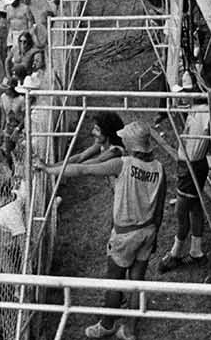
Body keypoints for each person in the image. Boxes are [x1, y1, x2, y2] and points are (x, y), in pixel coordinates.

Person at [37, 121, 164, 340]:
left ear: (132, 143)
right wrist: (155, 236)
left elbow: (82, 169)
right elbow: (160, 206)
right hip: (148, 230)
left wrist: (49, 169)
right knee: (137, 283)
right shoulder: (159, 168)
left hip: (125, 233)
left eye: (125, 137)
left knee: (113, 281)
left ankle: (107, 324)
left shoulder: (122, 164)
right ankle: (130, 330)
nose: (121, 138)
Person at [159, 74, 210, 273]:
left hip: (192, 165)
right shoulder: (195, 110)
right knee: (194, 207)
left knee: (181, 210)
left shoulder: (206, 111)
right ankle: (196, 251)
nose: (182, 98)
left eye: (186, 94)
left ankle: (176, 253)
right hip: (190, 164)